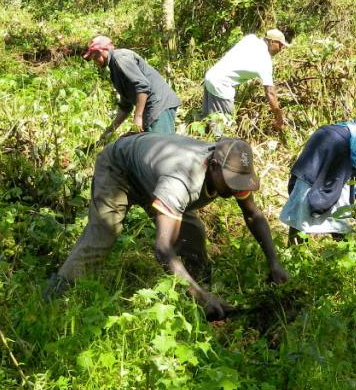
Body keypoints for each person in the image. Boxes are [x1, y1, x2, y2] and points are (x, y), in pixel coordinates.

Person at [42, 133, 289, 321]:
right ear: (213, 167)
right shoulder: (182, 179)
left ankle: (198, 301)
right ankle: (52, 301)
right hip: (119, 169)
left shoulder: (232, 172)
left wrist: (274, 263)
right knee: (104, 234)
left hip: (153, 174)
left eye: (240, 182)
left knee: (192, 235)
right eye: (232, 182)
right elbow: (162, 249)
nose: (237, 189)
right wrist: (201, 297)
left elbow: (253, 215)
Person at [83, 35, 181, 142]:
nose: (93, 61)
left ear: (100, 52)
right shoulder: (114, 69)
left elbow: (142, 86)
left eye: (92, 57)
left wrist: (138, 117)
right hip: (150, 108)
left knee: (161, 148)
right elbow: (126, 107)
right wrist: (109, 131)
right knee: (145, 147)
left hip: (159, 105)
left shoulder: (120, 57)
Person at [201, 29, 290, 134]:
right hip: (221, 85)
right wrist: (279, 118)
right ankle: (216, 146)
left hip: (210, 77)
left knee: (206, 123)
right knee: (221, 129)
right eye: (280, 45)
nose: (280, 49)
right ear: (271, 42)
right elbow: (270, 92)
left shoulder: (251, 39)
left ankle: (202, 143)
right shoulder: (264, 61)